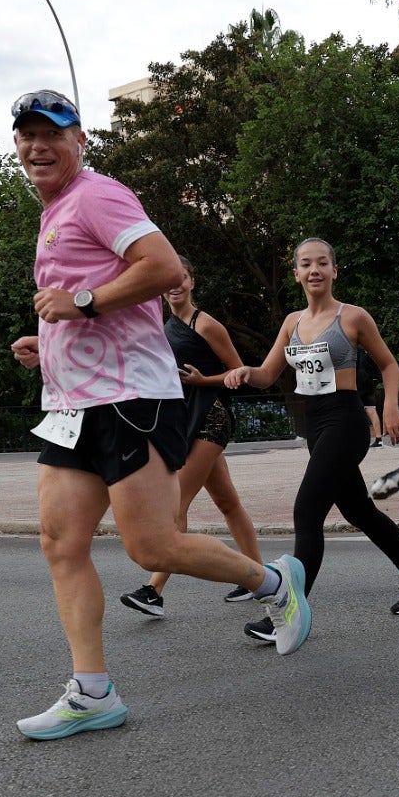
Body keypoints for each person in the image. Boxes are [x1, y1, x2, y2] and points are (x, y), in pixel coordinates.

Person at [7, 89, 309, 741]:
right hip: (71, 405)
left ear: (78, 140)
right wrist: (47, 342)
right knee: (61, 543)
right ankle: (92, 692)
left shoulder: (96, 193)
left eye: (52, 133)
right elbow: (86, 301)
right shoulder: (57, 211)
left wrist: (81, 302)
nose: (38, 145)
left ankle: (273, 584)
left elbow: (162, 265)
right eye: (27, 134)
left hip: (129, 402)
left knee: (152, 544)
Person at [224, 236, 399, 641]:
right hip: (316, 424)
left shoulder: (353, 316)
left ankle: (288, 612)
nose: (314, 270)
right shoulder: (292, 322)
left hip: (347, 421)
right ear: (296, 274)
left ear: (334, 270)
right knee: (359, 511)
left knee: (307, 512)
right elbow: (268, 374)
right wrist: (242, 373)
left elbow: (389, 364)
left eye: (322, 263)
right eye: (306, 264)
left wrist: (390, 406)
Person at [118, 259, 264, 617]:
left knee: (175, 504)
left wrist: (203, 381)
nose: (175, 285)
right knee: (228, 503)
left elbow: (238, 372)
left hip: (211, 419)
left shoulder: (206, 324)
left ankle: (154, 590)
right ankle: (261, 577)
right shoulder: (165, 326)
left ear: (192, 281)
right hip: (185, 421)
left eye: (182, 277)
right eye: (169, 279)